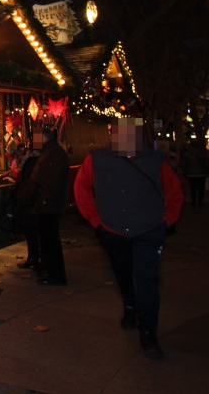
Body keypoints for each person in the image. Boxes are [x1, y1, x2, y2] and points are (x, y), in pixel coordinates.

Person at [74, 118, 183, 360]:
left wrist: (166, 221)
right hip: (112, 231)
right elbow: (81, 188)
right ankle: (130, 304)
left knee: (147, 280)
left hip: (149, 230)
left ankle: (148, 332)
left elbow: (173, 191)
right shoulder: (97, 159)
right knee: (123, 271)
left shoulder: (154, 161)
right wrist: (96, 221)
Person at [29, 129, 71, 285]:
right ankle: (50, 270)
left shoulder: (54, 153)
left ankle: (56, 274)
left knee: (50, 240)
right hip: (48, 202)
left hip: (49, 204)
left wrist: (45, 199)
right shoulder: (52, 151)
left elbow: (53, 181)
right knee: (47, 239)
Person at [11, 145, 41, 269]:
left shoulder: (31, 162)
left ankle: (34, 258)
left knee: (32, 232)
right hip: (33, 200)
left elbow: (23, 178)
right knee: (34, 232)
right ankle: (35, 258)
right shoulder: (37, 161)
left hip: (30, 200)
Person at [180, 140, 208, 206]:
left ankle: (193, 201)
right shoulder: (203, 152)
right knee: (201, 188)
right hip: (202, 173)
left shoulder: (188, 153)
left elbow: (184, 164)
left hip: (191, 173)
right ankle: (200, 201)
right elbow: (206, 163)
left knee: (193, 187)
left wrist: (184, 171)